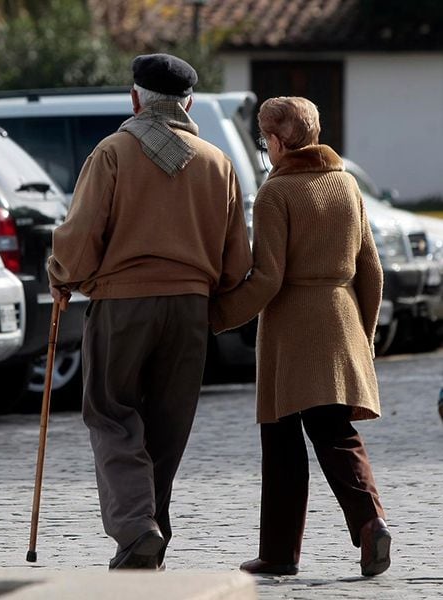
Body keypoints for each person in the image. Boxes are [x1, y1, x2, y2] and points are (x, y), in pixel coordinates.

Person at [48, 53, 252, 570]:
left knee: (113, 414)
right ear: (188, 103)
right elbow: (236, 259)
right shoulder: (217, 162)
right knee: (167, 424)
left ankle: (138, 529)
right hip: (190, 308)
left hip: (123, 303)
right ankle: (147, 535)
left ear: (135, 97)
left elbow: (80, 235)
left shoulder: (113, 151)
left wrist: (62, 274)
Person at [210, 96, 391, 577]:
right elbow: (371, 269)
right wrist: (364, 334)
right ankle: (357, 526)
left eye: (264, 138)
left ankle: (290, 548)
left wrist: (217, 318)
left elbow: (268, 278)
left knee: (285, 438)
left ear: (277, 141)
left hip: (293, 327)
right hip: (342, 316)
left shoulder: (276, 193)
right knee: (334, 429)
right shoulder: (346, 184)